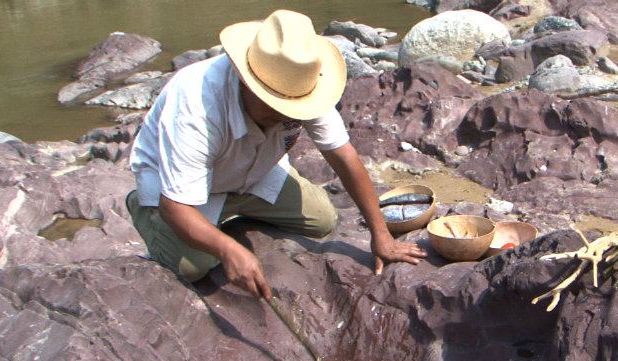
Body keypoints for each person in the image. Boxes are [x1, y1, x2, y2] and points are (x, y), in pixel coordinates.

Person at [126, 9, 426, 300]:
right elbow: (176, 206)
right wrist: (229, 250)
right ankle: (142, 207)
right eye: (276, 107)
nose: (286, 117)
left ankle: (225, 217)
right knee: (194, 267)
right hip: (182, 192)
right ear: (247, 82)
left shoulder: (302, 83)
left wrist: (380, 233)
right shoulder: (197, 105)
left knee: (323, 219)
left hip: (252, 172)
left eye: (292, 110)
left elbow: (344, 157)